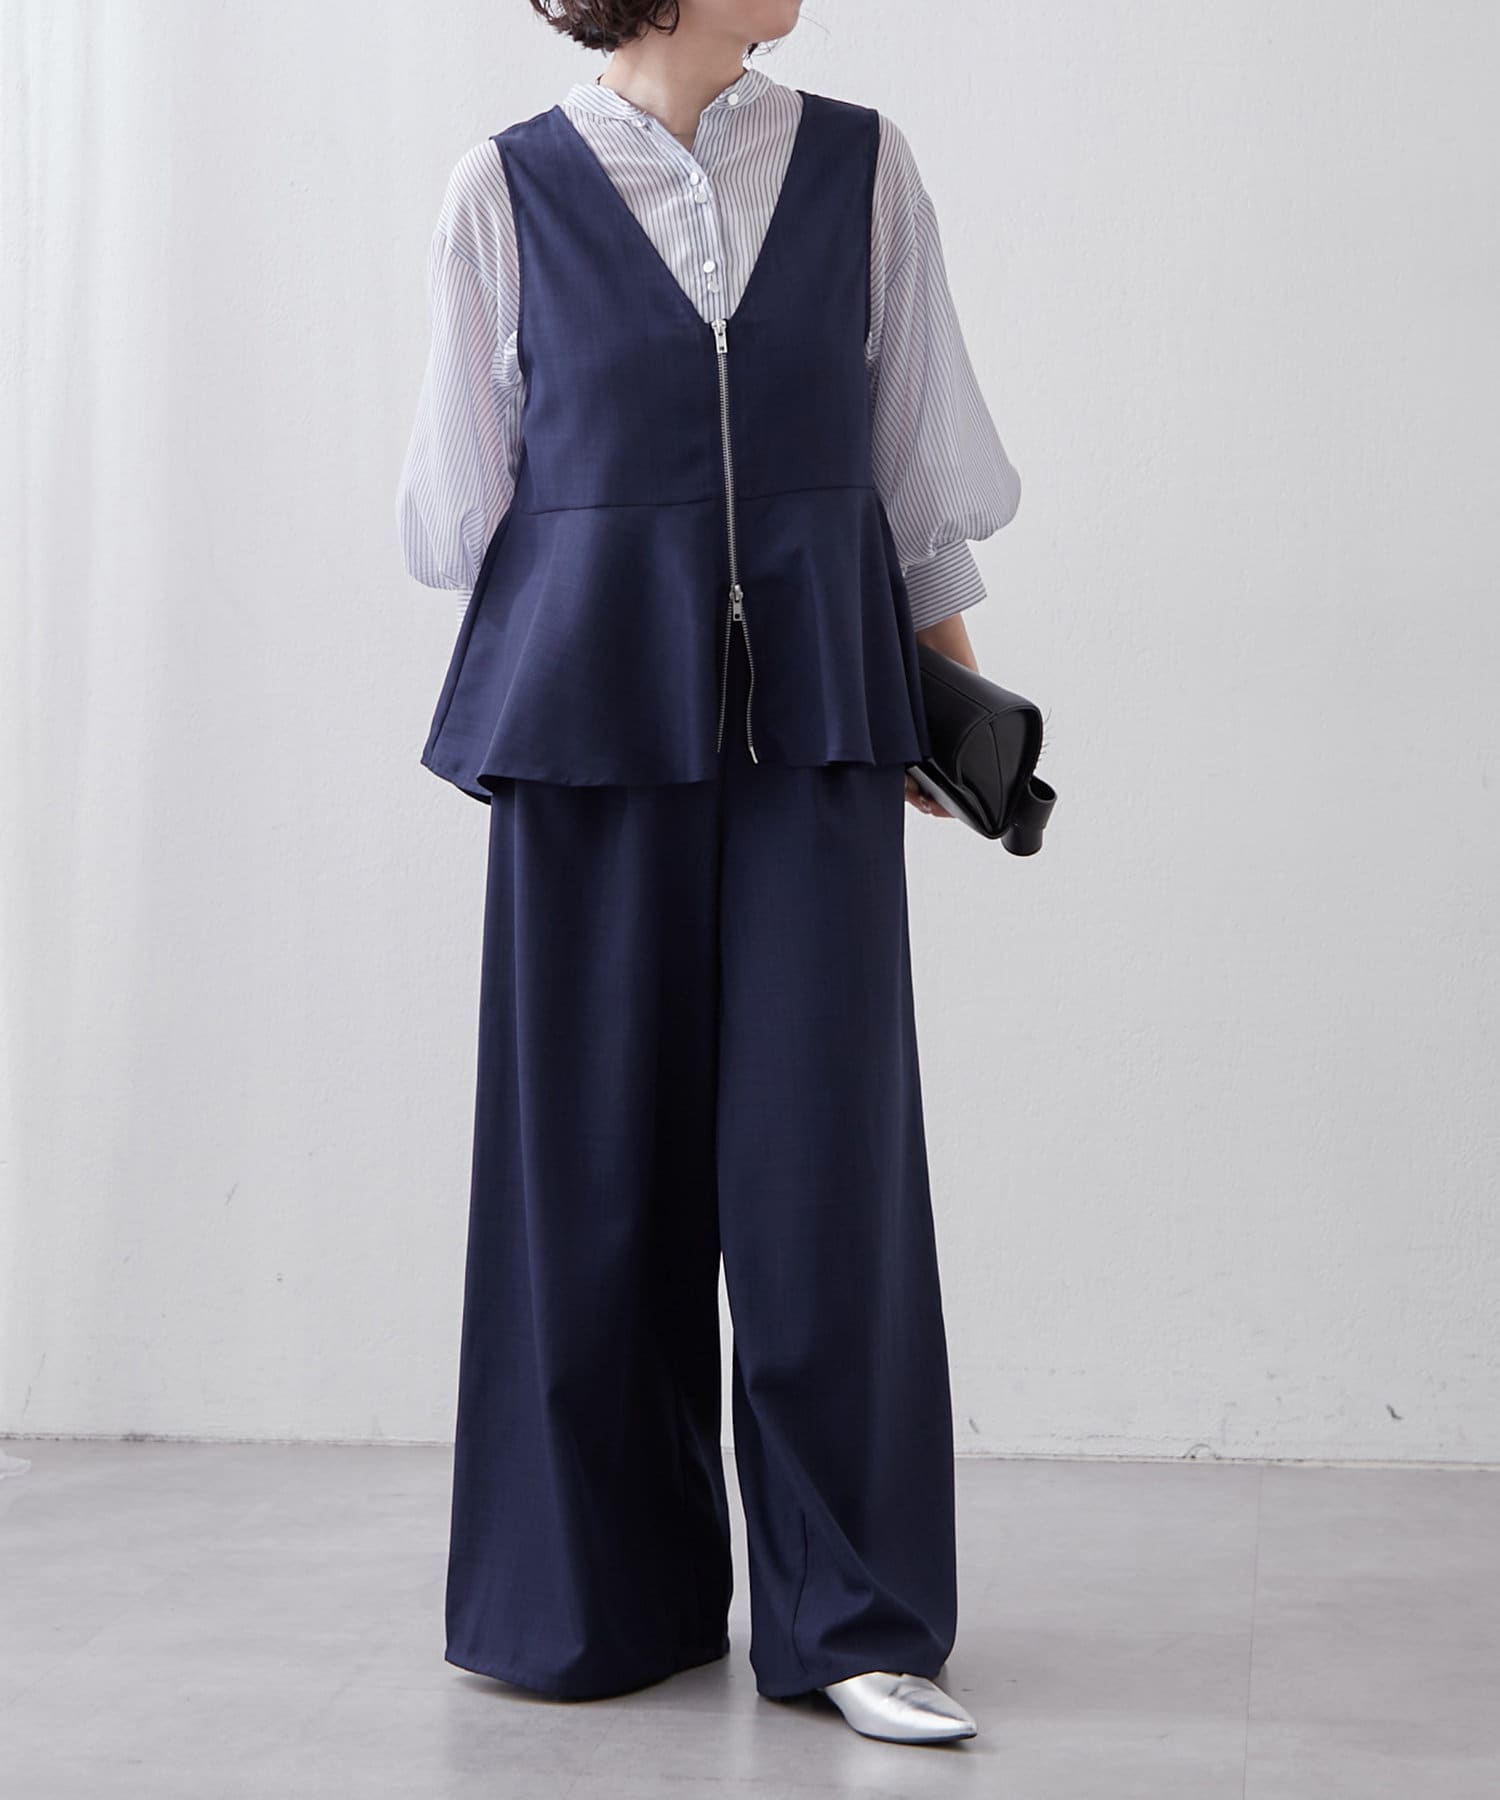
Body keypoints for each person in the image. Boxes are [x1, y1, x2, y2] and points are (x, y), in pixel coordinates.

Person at [394, 0, 1021, 1747]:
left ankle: (855, 1618)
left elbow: (916, 484)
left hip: (820, 718)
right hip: (591, 726)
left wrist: (949, 711)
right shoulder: (504, 190)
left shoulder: (864, 167)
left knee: (828, 1173)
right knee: (587, 1169)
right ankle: (595, 1598)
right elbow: (451, 514)